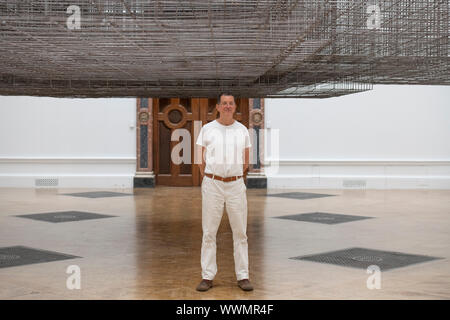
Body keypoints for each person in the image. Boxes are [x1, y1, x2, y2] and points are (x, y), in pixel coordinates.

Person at [195, 93, 253, 292]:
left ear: (235, 107)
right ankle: (207, 276)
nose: (228, 106)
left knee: (240, 232)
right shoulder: (207, 129)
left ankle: (243, 276)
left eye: (231, 103)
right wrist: (211, 177)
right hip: (213, 185)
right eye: (224, 104)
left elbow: (246, 161)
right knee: (209, 232)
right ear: (218, 107)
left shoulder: (243, 130)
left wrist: (232, 176)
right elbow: (199, 159)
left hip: (236, 186)